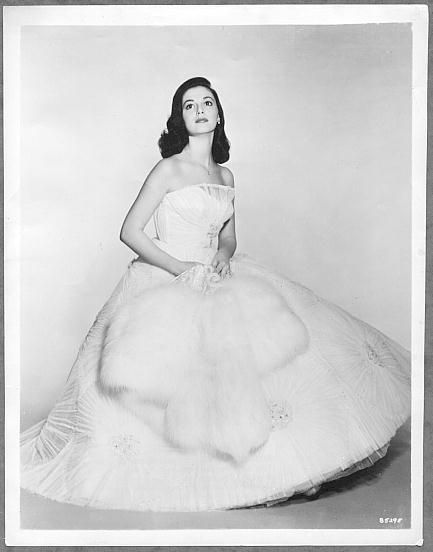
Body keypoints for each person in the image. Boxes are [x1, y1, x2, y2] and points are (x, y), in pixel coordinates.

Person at [21, 77, 411, 512]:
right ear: (180, 118)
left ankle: (284, 469)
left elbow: (228, 236)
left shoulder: (225, 175)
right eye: (189, 106)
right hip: (167, 275)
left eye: (207, 103)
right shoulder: (168, 169)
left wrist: (223, 256)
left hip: (217, 276)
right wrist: (181, 269)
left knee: (255, 366)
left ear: (219, 114)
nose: (200, 110)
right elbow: (130, 230)